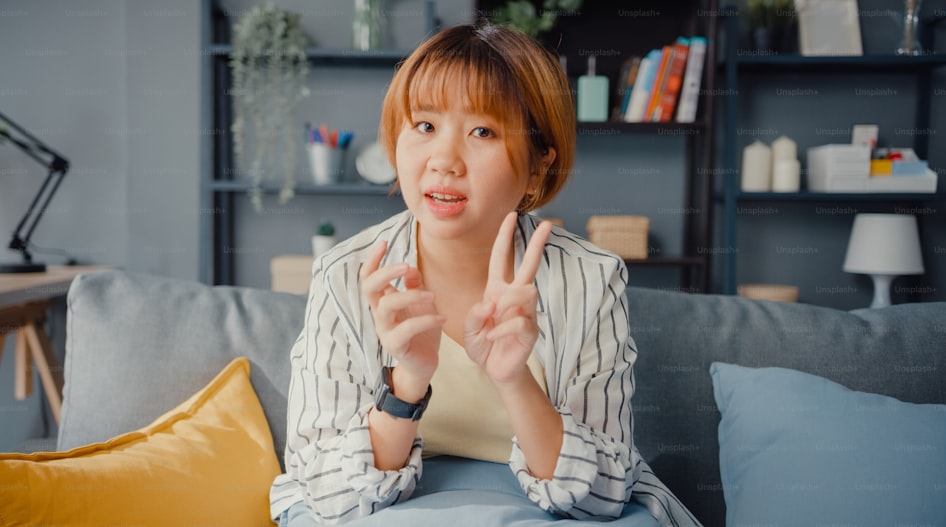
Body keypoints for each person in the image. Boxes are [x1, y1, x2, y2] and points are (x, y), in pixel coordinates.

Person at [269, 23, 700, 527]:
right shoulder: (345, 275)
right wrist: (407, 383)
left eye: (483, 132)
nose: (444, 162)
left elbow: (603, 494)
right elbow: (327, 490)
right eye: (425, 127)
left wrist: (513, 378)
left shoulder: (592, 277)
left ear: (538, 167)